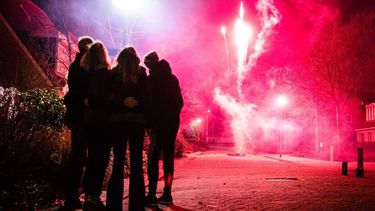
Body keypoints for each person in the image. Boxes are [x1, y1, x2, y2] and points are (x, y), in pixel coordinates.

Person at [106, 46, 149, 211]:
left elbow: (107, 97)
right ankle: (137, 205)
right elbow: (147, 98)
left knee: (118, 163)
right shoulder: (141, 74)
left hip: (117, 122)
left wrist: (121, 101)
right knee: (137, 164)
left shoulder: (113, 74)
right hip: (137, 122)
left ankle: (114, 205)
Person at [144, 51, 183, 206]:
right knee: (168, 158)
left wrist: (149, 123)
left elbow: (149, 104)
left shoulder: (151, 80)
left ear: (150, 63)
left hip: (158, 124)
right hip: (172, 123)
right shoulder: (173, 79)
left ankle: (151, 194)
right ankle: (167, 193)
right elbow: (180, 102)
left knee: (153, 158)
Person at [60, 36, 93, 211]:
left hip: (75, 117)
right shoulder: (87, 67)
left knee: (78, 156)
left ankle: (72, 196)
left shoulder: (74, 66)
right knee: (83, 157)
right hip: (84, 117)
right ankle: (82, 195)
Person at [80, 41, 111, 210]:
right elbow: (104, 97)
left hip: (89, 121)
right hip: (103, 122)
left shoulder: (85, 73)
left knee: (92, 159)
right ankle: (94, 196)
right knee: (101, 159)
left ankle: (88, 195)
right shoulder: (104, 74)